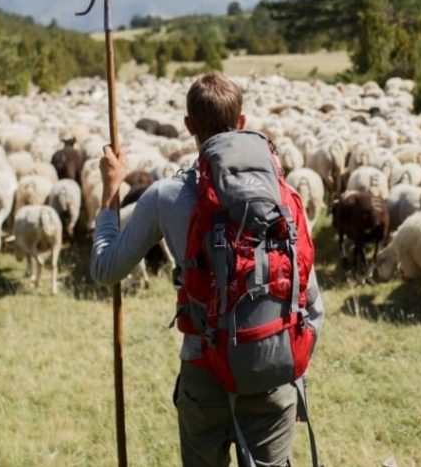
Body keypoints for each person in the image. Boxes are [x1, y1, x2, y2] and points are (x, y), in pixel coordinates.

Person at [92, 72, 324, 467]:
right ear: (243, 122)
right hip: (274, 370)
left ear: (188, 127)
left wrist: (110, 193)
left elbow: (105, 268)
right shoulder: (283, 195)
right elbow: (311, 300)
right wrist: (286, 360)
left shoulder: (167, 196)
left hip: (205, 372)